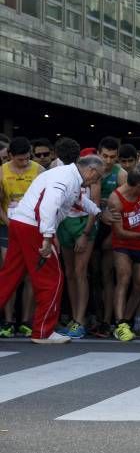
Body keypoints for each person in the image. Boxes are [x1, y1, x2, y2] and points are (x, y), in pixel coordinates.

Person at [0, 155, 105, 343]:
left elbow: (76, 200)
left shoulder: (68, 176)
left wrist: (98, 212)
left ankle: (43, 330)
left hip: (21, 222)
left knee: (9, 276)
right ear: (91, 171)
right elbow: (49, 205)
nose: (96, 182)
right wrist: (48, 237)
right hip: (35, 227)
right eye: (98, 177)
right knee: (52, 279)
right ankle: (43, 332)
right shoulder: (66, 178)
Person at [54, 140, 101, 340]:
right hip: (65, 223)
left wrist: (85, 234)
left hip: (84, 224)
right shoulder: (57, 170)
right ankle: (74, 319)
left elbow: (95, 206)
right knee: (70, 273)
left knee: (80, 272)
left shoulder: (92, 175)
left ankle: (80, 321)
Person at [107, 165, 140, 342]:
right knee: (124, 278)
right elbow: (120, 231)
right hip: (123, 243)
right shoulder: (116, 199)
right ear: (138, 184)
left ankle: (126, 322)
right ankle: (120, 323)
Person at [0, 137, 45, 336]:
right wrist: (12, 225)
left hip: (33, 228)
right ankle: (8, 321)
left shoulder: (39, 171)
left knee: (29, 275)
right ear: (10, 156)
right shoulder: (2, 172)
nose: (25, 163)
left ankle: (26, 321)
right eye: (20, 160)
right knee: (9, 273)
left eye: (27, 159)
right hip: (8, 227)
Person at [93, 136, 127, 338]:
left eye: (112, 157)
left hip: (111, 230)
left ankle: (107, 320)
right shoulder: (90, 169)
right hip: (91, 226)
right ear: (98, 154)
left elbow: (124, 209)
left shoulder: (121, 174)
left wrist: (112, 234)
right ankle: (96, 317)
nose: (108, 160)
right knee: (93, 276)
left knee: (107, 276)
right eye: (104, 156)